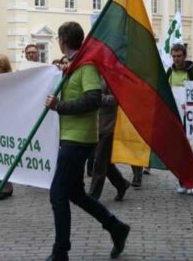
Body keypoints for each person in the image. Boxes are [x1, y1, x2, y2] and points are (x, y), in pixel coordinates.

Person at [45, 22, 129, 261]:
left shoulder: (87, 65)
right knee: (75, 193)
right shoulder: (74, 65)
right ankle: (116, 227)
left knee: (57, 194)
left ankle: (61, 251)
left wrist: (59, 106)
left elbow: (93, 99)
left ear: (62, 40)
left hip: (78, 139)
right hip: (71, 137)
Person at [166, 43, 193, 195]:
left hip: (190, 118)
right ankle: (182, 181)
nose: (176, 59)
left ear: (185, 56)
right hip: (174, 119)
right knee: (178, 152)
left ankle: (192, 182)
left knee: (189, 151)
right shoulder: (168, 73)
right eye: (174, 56)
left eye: (179, 56)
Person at [88, 82, 131, 201]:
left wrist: (97, 98)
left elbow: (116, 98)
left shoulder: (109, 77)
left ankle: (93, 195)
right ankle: (121, 184)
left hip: (108, 127)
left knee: (99, 161)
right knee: (106, 162)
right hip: (94, 127)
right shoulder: (91, 75)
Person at [0, 54, 15, 200]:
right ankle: (4, 186)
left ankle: (5, 187)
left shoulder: (12, 80)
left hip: (8, 121)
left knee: (4, 156)